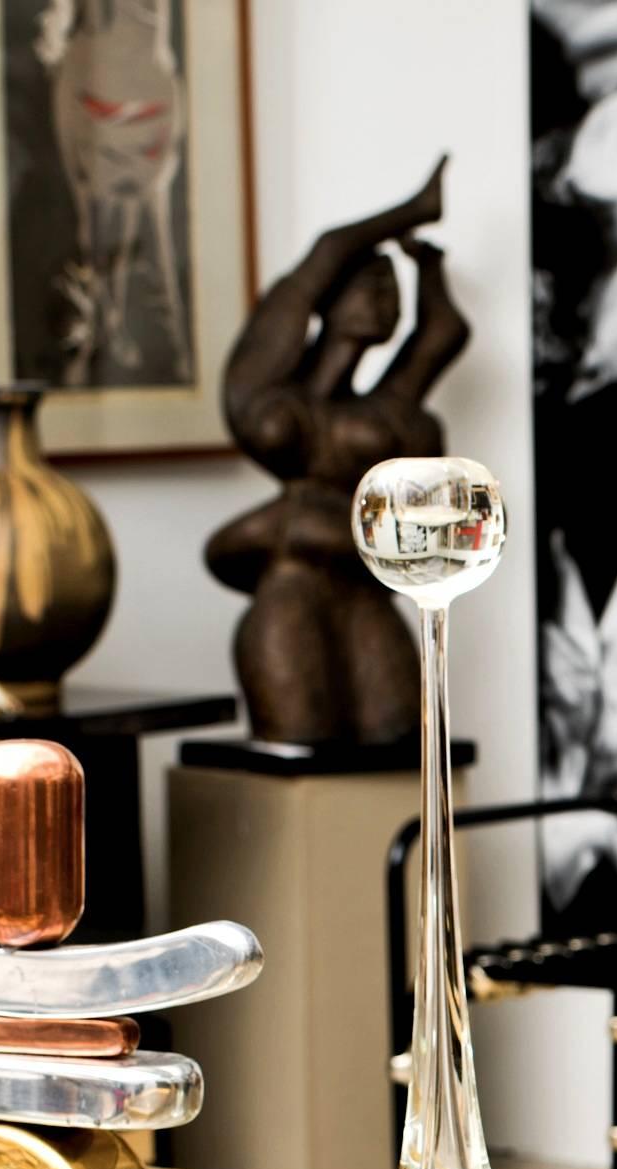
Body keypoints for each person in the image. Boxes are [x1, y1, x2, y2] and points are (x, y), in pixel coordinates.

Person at [206, 160, 471, 746]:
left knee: (402, 736)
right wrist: (412, 211)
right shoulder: (273, 399)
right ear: (330, 299)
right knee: (302, 736)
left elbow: (443, 332)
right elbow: (316, 263)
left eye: (393, 289)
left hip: (365, 593)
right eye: (371, 285)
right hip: (292, 592)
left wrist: (430, 267)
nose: (386, 299)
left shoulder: (385, 407)